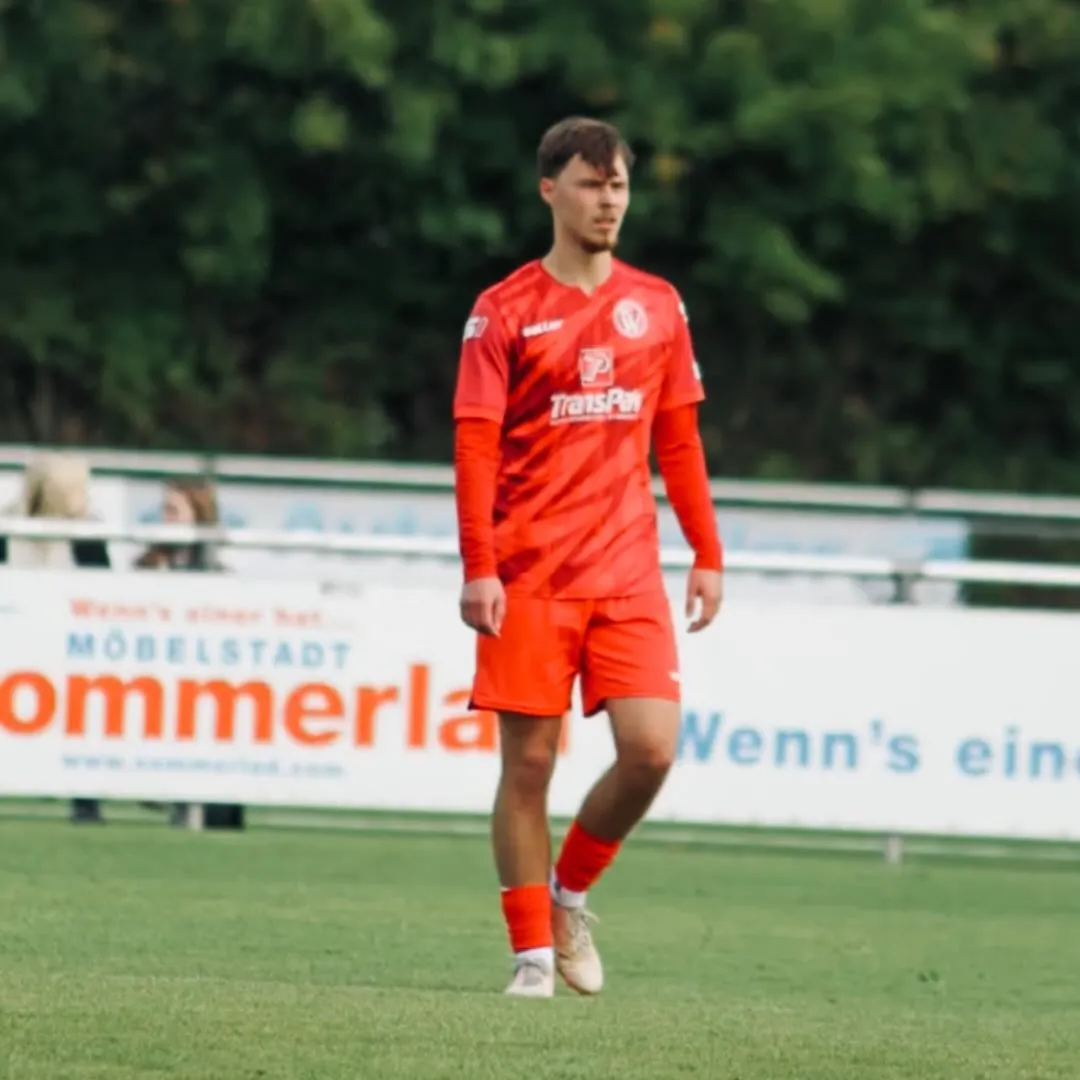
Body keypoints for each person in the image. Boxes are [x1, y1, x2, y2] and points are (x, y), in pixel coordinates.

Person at [452, 116, 724, 999]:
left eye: (618, 186)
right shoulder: (503, 310)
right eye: (590, 184)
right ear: (550, 191)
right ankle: (532, 955)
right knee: (528, 766)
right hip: (530, 574)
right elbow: (475, 447)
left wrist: (707, 551)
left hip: (627, 571)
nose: (608, 202)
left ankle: (568, 896)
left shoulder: (659, 305)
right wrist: (479, 566)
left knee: (651, 751)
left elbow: (679, 441)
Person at [0, 452, 111, 824]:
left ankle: (86, 800)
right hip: (17, 641)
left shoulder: (85, 534)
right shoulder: (9, 528)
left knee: (83, 714)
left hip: (66, 646)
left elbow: (103, 588)